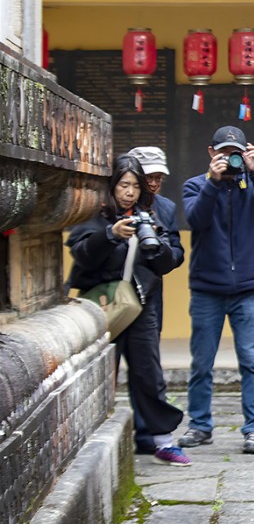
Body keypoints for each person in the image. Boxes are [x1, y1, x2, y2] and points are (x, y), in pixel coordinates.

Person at [67, 154, 190, 467]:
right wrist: (110, 235)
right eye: (124, 185)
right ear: (112, 186)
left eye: (135, 186)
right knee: (98, 372)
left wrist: (157, 244)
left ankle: (163, 441)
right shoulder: (94, 213)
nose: (130, 192)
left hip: (140, 304)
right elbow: (82, 255)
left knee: (148, 372)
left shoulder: (153, 213)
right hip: (100, 305)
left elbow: (173, 259)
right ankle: (87, 437)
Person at [179, 125, 254, 455]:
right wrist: (213, 182)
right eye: (224, 153)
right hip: (206, 289)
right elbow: (196, 220)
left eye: (235, 153)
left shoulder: (250, 183)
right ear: (211, 153)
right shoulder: (195, 185)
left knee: (251, 361)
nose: (229, 159)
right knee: (201, 363)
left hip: (245, 289)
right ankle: (199, 425)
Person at [127, 145, 185, 454]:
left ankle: (147, 434)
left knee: (147, 366)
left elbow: (177, 251)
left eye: (158, 178)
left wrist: (161, 249)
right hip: (116, 295)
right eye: (147, 177)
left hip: (149, 294)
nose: (153, 184)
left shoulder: (165, 207)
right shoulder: (115, 205)